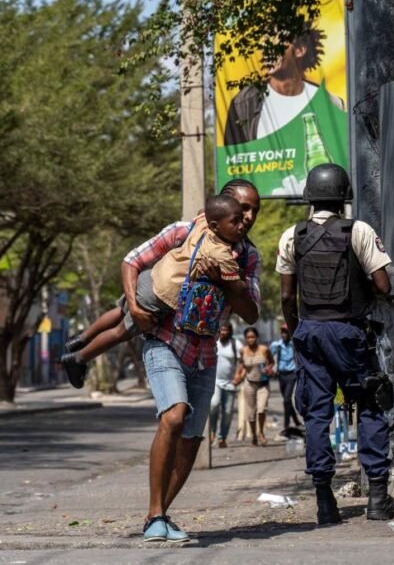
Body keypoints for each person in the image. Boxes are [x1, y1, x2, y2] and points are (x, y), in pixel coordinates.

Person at [118, 181, 263, 543]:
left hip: (205, 354)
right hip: (165, 342)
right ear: (222, 209)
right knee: (174, 415)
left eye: (254, 211)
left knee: (192, 437)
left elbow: (251, 314)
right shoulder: (185, 232)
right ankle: (154, 514)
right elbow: (133, 260)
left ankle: (160, 515)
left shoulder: (247, 258)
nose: (247, 218)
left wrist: (229, 282)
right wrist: (134, 306)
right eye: (242, 209)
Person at [277, 163, 394, 525]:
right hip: (349, 332)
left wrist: (299, 329)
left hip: (310, 332)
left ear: (309, 197)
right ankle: (377, 498)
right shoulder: (358, 230)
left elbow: (286, 296)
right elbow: (384, 285)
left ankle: (325, 502)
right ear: (344, 197)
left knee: (317, 414)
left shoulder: (291, 236)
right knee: (371, 404)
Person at [61, 194, 247, 388]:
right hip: (159, 298)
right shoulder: (222, 253)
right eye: (235, 221)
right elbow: (238, 289)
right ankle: (78, 358)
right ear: (216, 225)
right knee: (120, 333)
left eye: (241, 220)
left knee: (119, 310)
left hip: (150, 278)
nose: (242, 225)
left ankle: (79, 339)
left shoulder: (201, 225)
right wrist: (240, 275)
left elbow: (203, 212)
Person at [223, 25, 344, 145]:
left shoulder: (328, 103)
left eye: (276, 40)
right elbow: (232, 159)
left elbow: (340, 152)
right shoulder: (244, 103)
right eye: (264, 42)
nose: (266, 49)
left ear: (299, 50)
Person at [232, 327, 275, 445]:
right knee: (251, 413)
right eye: (248, 337)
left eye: (253, 337)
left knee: (261, 409)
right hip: (249, 384)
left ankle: (261, 433)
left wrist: (269, 368)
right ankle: (254, 435)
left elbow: (271, 361)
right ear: (245, 339)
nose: (251, 339)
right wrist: (237, 376)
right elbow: (242, 365)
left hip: (263, 384)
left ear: (257, 337)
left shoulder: (264, 349)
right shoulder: (243, 351)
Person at [209, 325, 242, 448]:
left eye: (225, 330)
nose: (223, 332)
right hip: (215, 381)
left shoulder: (235, 344)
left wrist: (238, 376)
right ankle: (212, 431)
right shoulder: (214, 341)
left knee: (227, 412)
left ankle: (222, 437)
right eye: (221, 330)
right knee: (214, 405)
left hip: (230, 383)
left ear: (230, 332)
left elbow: (241, 361)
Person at [270, 322, 302, 429]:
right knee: (287, 400)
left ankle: (286, 425)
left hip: (292, 374)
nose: (284, 334)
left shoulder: (294, 344)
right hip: (281, 375)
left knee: (286, 399)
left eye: (286, 332)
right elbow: (268, 356)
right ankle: (297, 421)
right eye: (282, 332)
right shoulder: (276, 345)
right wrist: (269, 367)